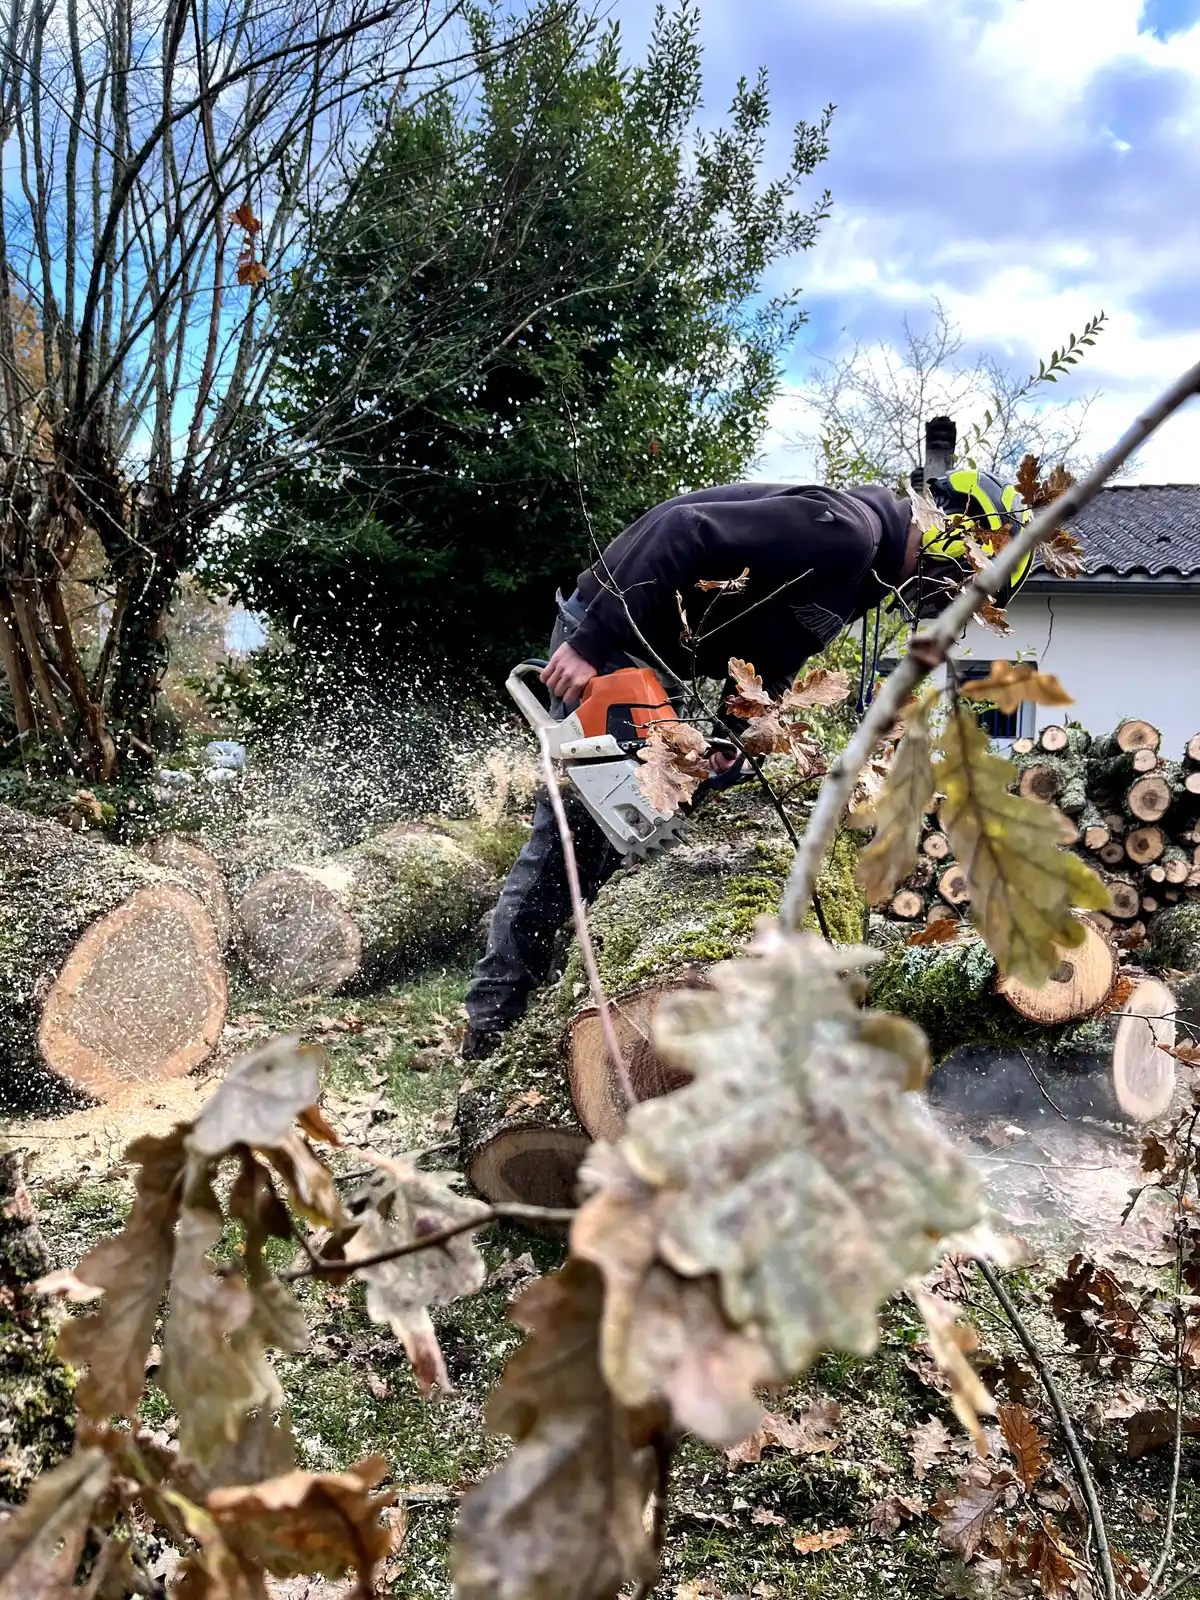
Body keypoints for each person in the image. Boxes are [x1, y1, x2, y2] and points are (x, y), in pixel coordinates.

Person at [461, 468, 1033, 1059]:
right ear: (954, 527)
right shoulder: (847, 532)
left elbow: (773, 659)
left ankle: (559, 1000)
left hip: (661, 662)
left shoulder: (865, 574)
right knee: (579, 837)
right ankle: (493, 1023)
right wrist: (590, 643)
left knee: (628, 838)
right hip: (619, 639)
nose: (955, 596)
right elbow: (684, 527)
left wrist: (737, 736)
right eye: (968, 578)